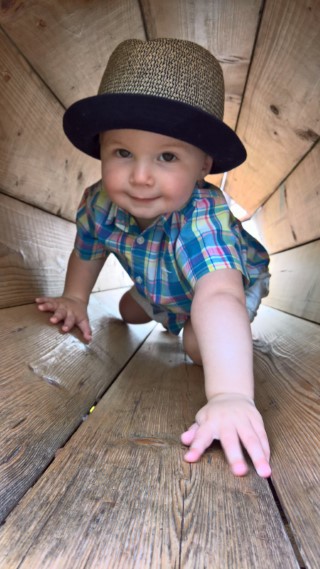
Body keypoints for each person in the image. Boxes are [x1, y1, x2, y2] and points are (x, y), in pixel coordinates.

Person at [36, 38, 271, 478]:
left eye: (167, 156)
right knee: (127, 312)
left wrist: (230, 395)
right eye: (122, 152)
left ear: (203, 164)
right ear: (101, 147)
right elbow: (87, 249)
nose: (140, 177)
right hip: (160, 279)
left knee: (198, 345)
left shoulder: (203, 215)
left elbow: (220, 293)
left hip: (224, 283)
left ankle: (190, 326)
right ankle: (151, 297)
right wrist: (74, 298)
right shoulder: (99, 201)